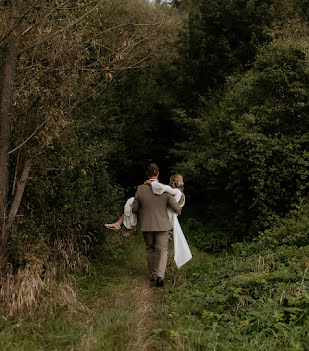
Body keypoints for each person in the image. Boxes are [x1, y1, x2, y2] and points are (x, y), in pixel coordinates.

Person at [132, 163, 181, 287]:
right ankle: (160, 277)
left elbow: (135, 209)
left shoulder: (140, 189)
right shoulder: (164, 189)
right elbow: (177, 209)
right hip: (162, 225)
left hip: (147, 225)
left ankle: (153, 275)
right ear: (158, 173)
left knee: (150, 249)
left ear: (147, 174)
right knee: (163, 251)